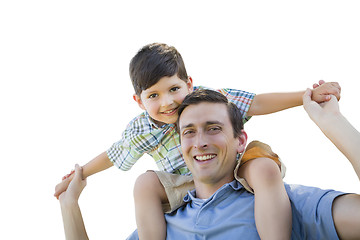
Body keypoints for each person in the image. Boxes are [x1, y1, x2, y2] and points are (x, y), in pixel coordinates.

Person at [55, 43, 341, 240]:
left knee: (263, 166)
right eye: (153, 95)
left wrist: (305, 97)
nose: (167, 102)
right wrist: (80, 174)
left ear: (189, 84)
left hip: (233, 166)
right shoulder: (141, 129)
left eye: (174, 89)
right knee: (145, 183)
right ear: (139, 101)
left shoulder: (210, 100)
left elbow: (256, 102)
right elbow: (113, 154)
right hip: (185, 184)